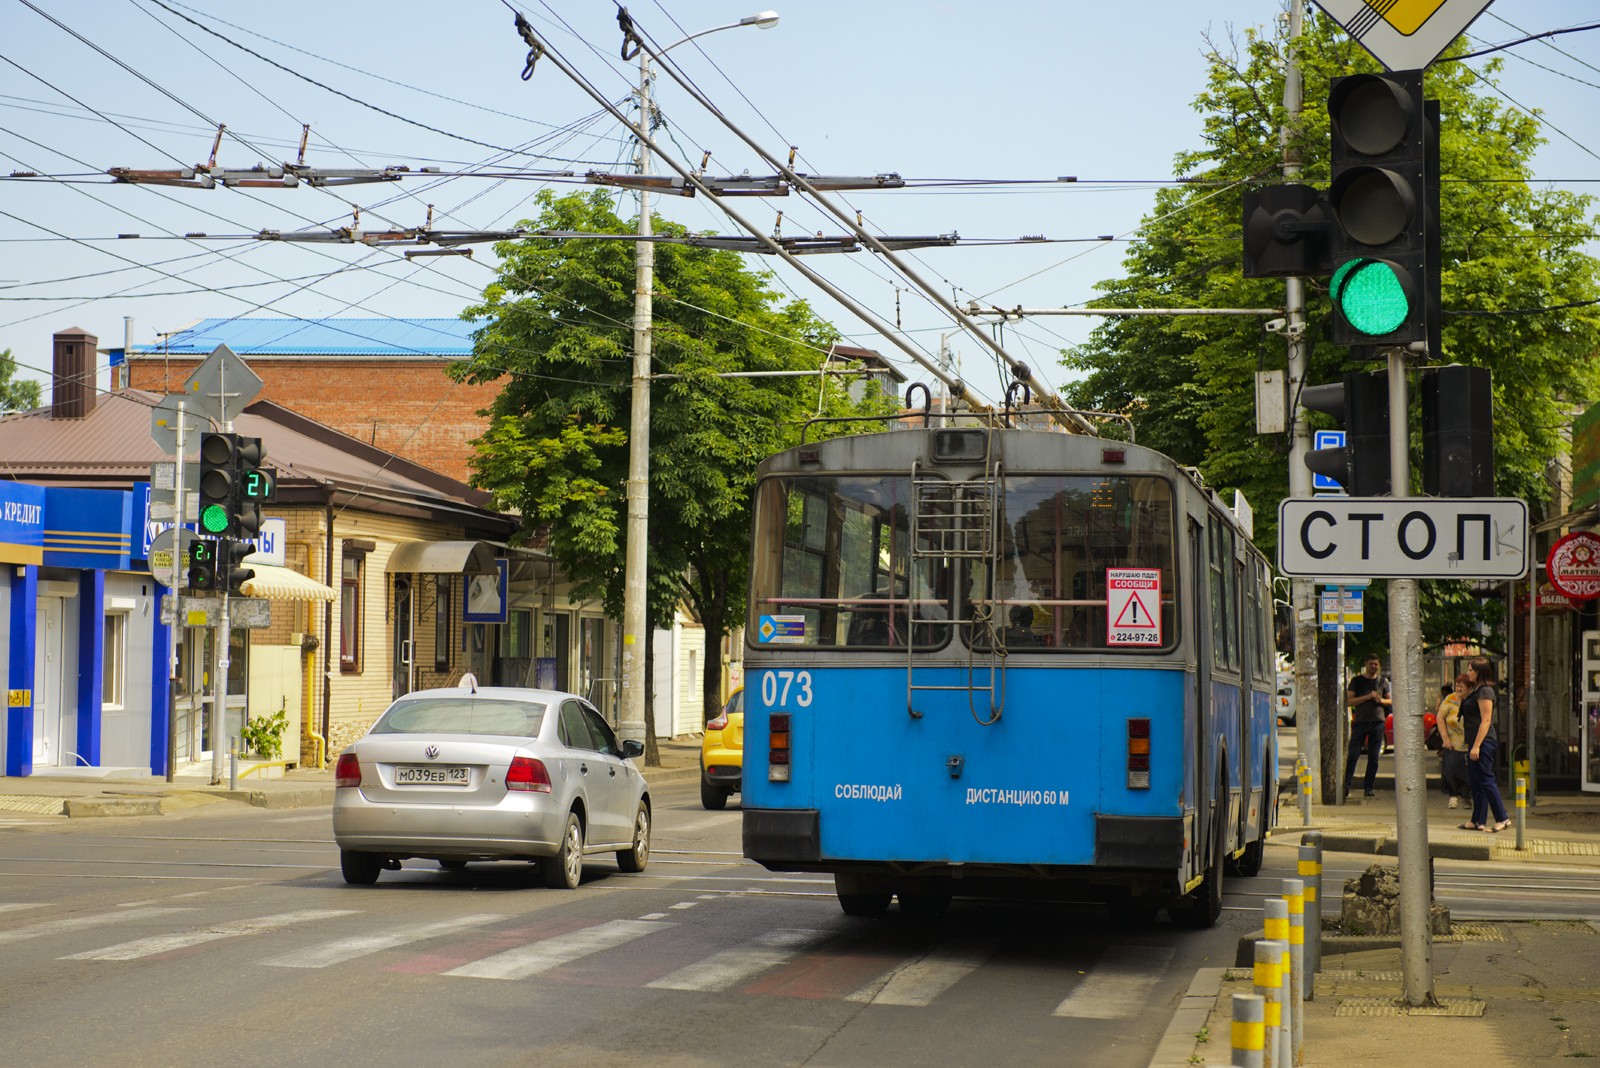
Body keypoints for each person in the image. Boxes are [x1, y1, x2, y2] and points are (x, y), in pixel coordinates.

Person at [1461, 655, 1511, 832]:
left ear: (1479, 671)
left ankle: (1502, 818)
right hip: (1474, 741)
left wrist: (1476, 746)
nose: (1468, 673)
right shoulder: (1476, 690)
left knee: (1486, 780)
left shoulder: (1485, 691)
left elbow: (1486, 720)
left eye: (1471, 670)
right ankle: (1478, 820)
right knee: (1476, 782)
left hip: (1483, 742)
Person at [1342, 654, 1392, 799]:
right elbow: (1349, 701)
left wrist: (1380, 699)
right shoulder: (1357, 681)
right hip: (1361, 722)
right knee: (1353, 754)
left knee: (1374, 757)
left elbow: (1391, 702)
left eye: (1376, 664)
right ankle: (1347, 784)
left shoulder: (1383, 681)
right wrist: (1366, 697)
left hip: (1378, 723)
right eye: (1371, 664)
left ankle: (1368, 787)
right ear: (1366, 664)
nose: (1373, 667)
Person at [1436, 675, 1471, 809]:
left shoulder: (1471, 700)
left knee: (1467, 773)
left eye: (1462, 686)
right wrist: (1445, 738)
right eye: (1457, 685)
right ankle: (1453, 795)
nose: (1459, 688)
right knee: (1451, 770)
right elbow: (1440, 717)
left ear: (1469, 688)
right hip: (1451, 742)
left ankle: (1467, 798)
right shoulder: (1449, 699)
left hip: (1468, 742)